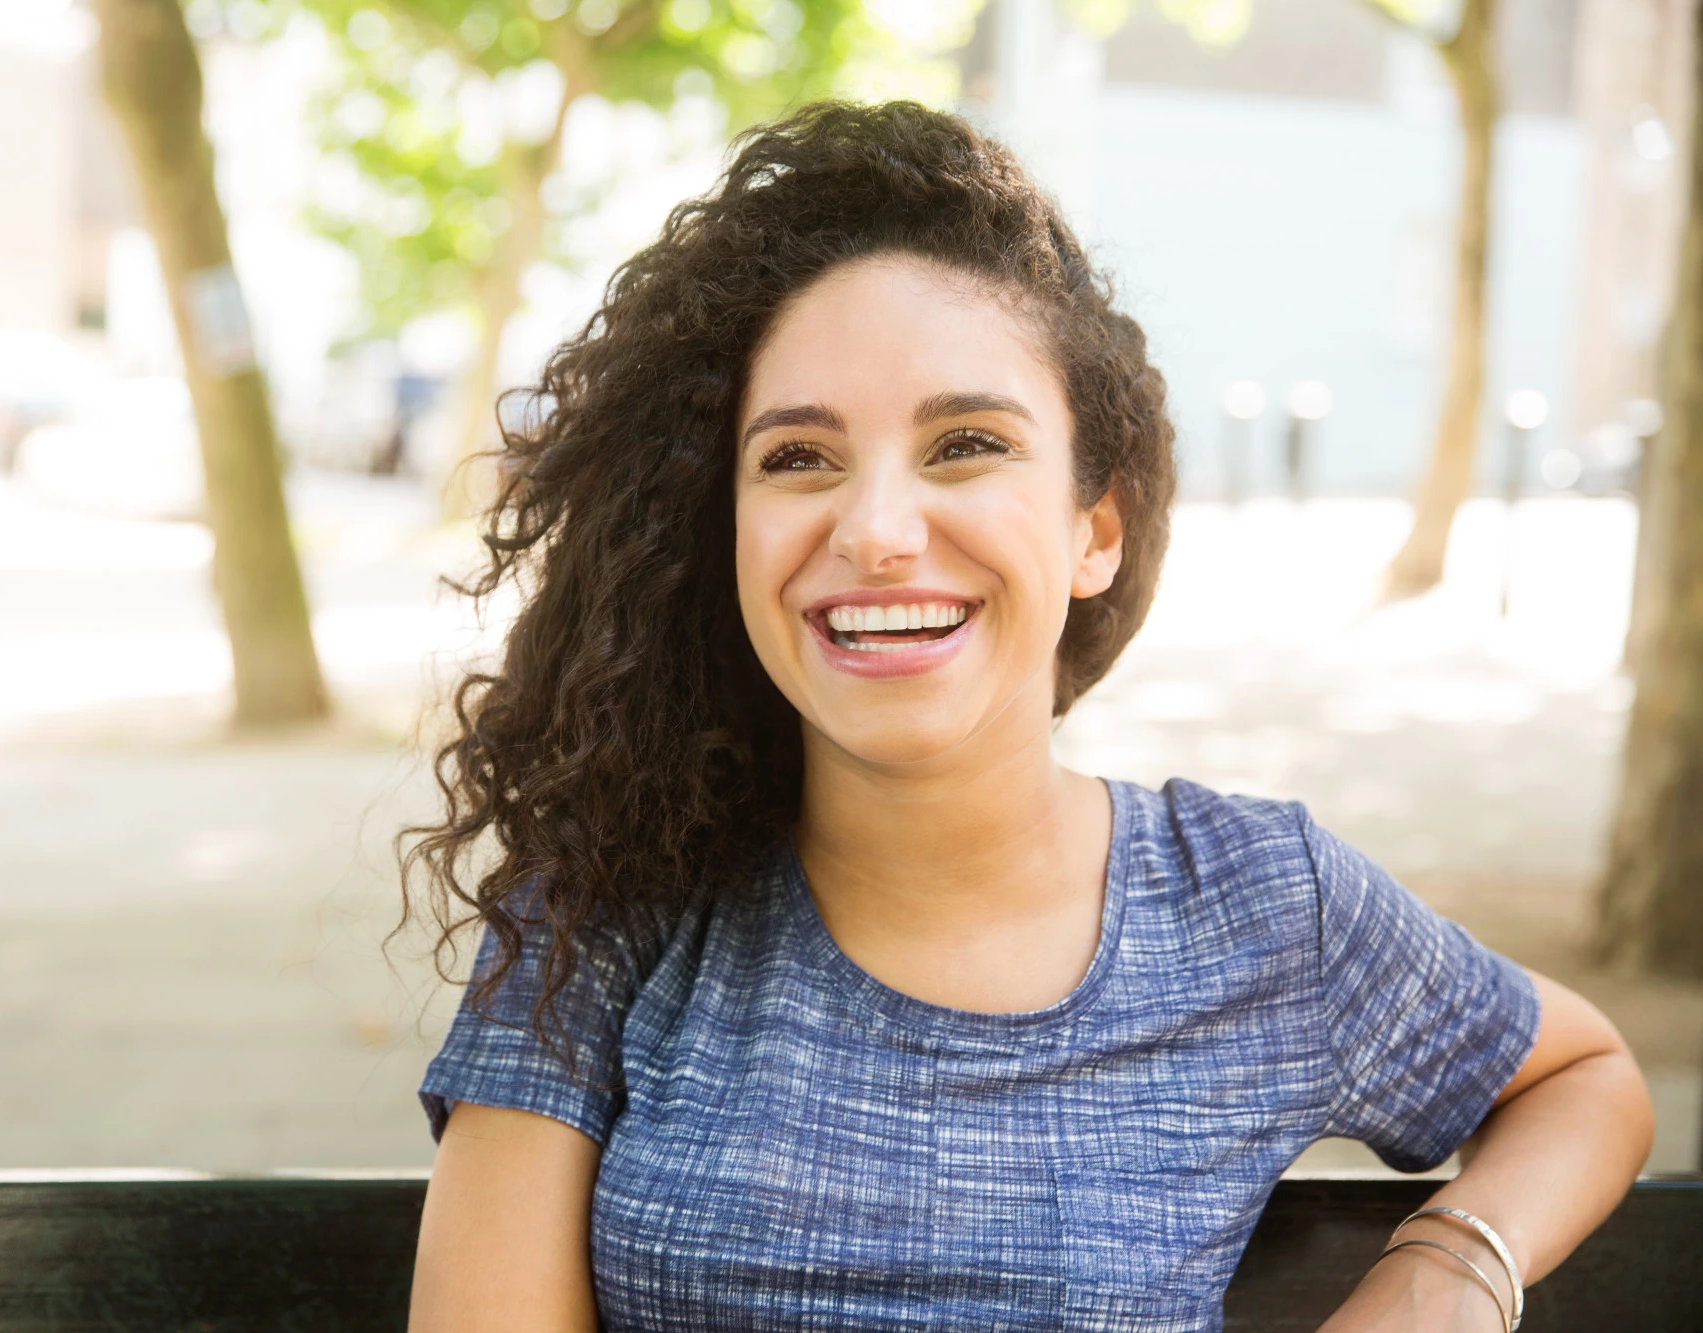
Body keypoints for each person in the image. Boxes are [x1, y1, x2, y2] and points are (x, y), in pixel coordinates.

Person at [400, 101, 1653, 1332]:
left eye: (964, 444)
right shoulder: (601, 903)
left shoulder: (1260, 906)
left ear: (1090, 531)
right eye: (797, 457)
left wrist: (1443, 1269)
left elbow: (1585, 1077)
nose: (877, 531)